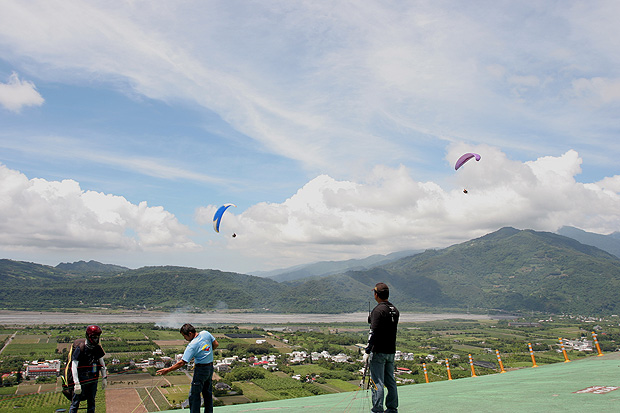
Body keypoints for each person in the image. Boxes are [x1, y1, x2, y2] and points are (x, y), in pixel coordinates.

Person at [157, 323, 219, 413]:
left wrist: (168, 370)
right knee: (207, 393)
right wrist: (205, 354)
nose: (185, 339)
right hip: (210, 367)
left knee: (194, 395)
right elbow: (216, 344)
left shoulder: (192, 345)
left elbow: (182, 362)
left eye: (184, 336)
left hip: (201, 370)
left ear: (190, 334)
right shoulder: (205, 333)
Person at [364, 282, 399, 413]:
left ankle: (377, 410)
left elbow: (373, 332)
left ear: (376, 294)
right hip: (391, 351)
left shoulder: (378, 310)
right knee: (390, 381)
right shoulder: (394, 310)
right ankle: (392, 408)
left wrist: (367, 350)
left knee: (377, 382)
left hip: (378, 351)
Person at [69, 325, 107, 413]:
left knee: (91, 403)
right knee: (75, 403)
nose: (96, 339)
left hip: (93, 379)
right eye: (94, 337)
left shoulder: (97, 348)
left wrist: (104, 378)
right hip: (82, 379)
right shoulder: (81, 348)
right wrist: (76, 383)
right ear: (89, 336)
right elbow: (74, 365)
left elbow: (102, 364)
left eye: (97, 337)